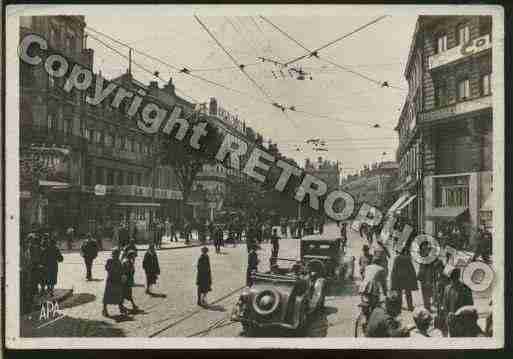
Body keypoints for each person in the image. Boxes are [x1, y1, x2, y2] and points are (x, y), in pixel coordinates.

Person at [441, 267, 474, 335]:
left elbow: (470, 307)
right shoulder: (447, 289)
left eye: (454, 278)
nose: (452, 281)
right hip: (451, 321)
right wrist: (448, 317)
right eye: (451, 279)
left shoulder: (465, 289)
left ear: (457, 277)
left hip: (463, 322)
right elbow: (445, 305)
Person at [417, 241, 445, 311]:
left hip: (428, 276)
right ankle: (428, 306)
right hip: (426, 276)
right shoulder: (424, 255)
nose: (425, 248)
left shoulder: (426, 255)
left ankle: (428, 306)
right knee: (427, 292)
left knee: (428, 292)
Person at [390, 247, 418, 311]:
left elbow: (394, 270)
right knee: (408, 293)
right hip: (407, 279)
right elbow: (411, 269)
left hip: (399, 279)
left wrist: (393, 279)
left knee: (399, 294)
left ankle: (399, 306)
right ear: (404, 252)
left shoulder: (396, 259)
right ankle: (410, 307)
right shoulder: (408, 259)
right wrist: (414, 279)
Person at [103, 248, 125, 316]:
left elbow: (121, 269)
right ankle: (104, 309)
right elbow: (107, 268)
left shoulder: (119, 261)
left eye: (118, 254)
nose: (117, 255)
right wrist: (113, 270)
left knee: (119, 294)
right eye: (116, 254)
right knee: (108, 295)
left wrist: (122, 275)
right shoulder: (109, 261)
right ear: (113, 254)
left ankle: (120, 307)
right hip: (111, 280)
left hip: (117, 280)